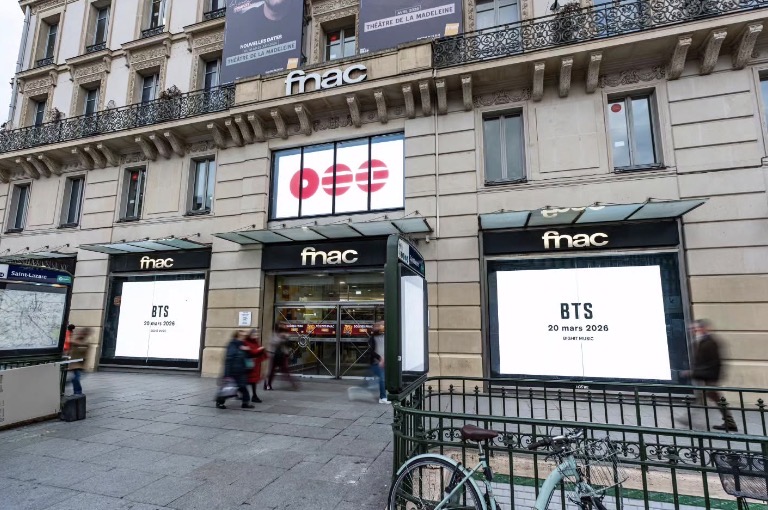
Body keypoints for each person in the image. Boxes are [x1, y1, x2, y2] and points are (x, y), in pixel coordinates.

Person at [681, 319, 737, 432]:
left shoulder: (710, 342)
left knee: (714, 398)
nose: (693, 331)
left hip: (710, 377)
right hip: (705, 376)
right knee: (703, 398)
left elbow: (712, 363)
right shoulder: (702, 341)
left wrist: (694, 373)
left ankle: (730, 423)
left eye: (695, 328)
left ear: (703, 328)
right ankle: (687, 419)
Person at [216, 331, 255, 409]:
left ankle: (245, 403)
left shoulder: (243, 345)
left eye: (244, 336)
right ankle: (220, 402)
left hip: (241, 371)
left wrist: (248, 350)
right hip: (233, 371)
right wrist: (227, 374)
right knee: (227, 388)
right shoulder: (232, 345)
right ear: (237, 336)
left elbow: (248, 356)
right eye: (242, 336)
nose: (244, 337)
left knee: (243, 387)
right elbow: (229, 359)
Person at [243, 328, 268, 403]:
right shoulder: (246, 342)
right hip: (248, 364)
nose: (256, 335)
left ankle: (254, 396)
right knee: (246, 381)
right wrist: (260, 349)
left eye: (257, 334)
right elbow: (252, 352)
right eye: (254, 334)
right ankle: (245, 395)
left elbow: (257, 351)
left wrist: (261, 350)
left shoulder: (255, 342)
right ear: (250, 335)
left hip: (254, 365)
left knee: (253, 381)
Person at [66, 327, 91, 395]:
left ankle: (77, 391)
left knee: (76, 378)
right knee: (75, 378)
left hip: (80, 364)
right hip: (74, 363)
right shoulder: (76, 340)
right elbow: (70, 347)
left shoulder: (85, 342)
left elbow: (82, 345)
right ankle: (77, 391)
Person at [370, 321, 388, 404]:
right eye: (380, 326)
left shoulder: (386, 336)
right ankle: (383, 397)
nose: (381, 327)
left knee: (385, 379)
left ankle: (384, 396)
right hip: (377, 363)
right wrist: (380, 358)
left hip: (385, 362)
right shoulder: (373, 338)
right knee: (382, 379)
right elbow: (371, 351)